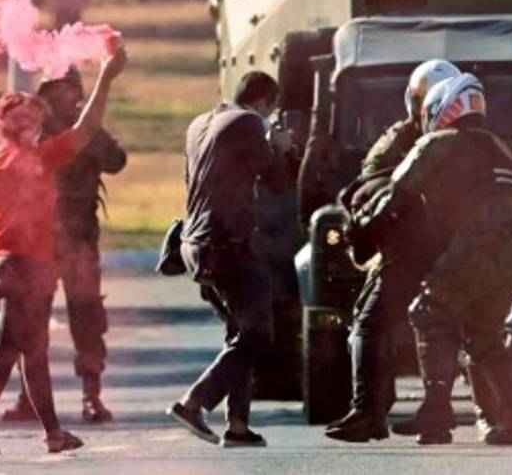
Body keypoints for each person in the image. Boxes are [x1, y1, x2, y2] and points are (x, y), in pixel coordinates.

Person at [0, 37, 129, 455]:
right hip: (23, 266)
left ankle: (53, 433)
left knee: (31, 351)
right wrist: (107, 74)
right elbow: (87, 130)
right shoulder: (39, 158)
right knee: (6, 355)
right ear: (30, 125)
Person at [384, 74, 512, 446]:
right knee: (485, 334)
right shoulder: (499, 146)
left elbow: (396, 191)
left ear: (441, 109)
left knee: (429, 311)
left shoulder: (438, 142)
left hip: (479, 242)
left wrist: (365, 221)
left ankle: (436, 412)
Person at [324, 59, 461, 443]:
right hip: (412, 247)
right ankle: (377, 410)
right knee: (375, 324)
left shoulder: (460, 141)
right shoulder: (401, 141)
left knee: (435, 327)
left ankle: (416, 413)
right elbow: (369, 187)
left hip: (450, 248)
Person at [167, 71, 294, 448]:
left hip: (194, 243)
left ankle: (238, 424)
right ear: (265, 102)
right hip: (228, 245)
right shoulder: (250, 123)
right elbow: (276, 182)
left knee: (239, 334)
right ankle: (194, 402)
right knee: (257, 334)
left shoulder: (200, 123)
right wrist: (282, 146)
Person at [1, 69, 127, 425]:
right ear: (49, 92)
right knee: (33, 318)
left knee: (85, 315)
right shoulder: (38, 131)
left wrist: (91, 134)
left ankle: (91, 395)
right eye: (62, 90)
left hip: (78, 236)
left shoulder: (85, 128)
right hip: (42, 236)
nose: (69, 97)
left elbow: (117, 161)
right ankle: (31, 397)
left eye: (73, 90)